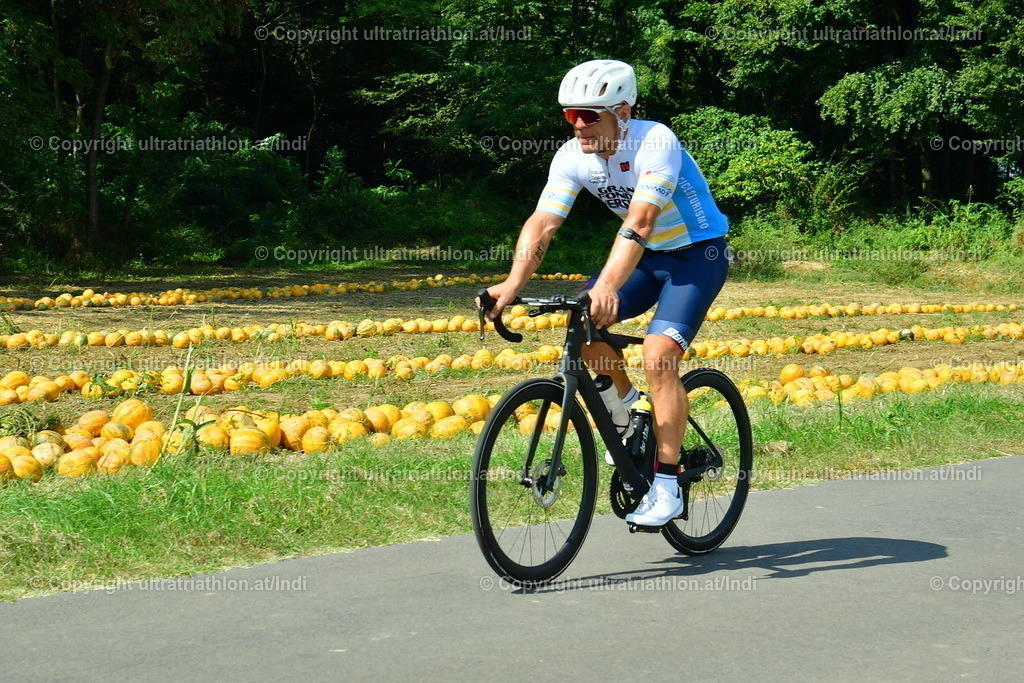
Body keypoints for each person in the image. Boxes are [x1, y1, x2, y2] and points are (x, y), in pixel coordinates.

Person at [478, 59, 731, 527]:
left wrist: (609, 286)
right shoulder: (572, 157)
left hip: (698, 256)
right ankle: (626, 410)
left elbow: (640, 220)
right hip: (649, 257)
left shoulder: (655, 140)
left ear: (623, 111)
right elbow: (543, 223)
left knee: (659, 356)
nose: (578, 126)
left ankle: (669, 485)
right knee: (583, 322)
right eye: (570, 115)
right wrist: (511, 286)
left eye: (590, 115)